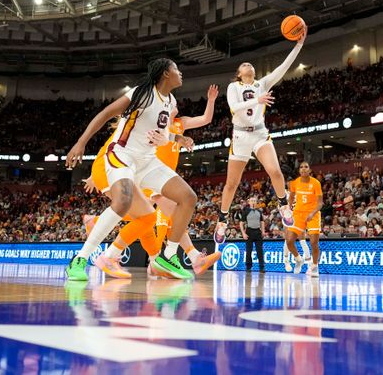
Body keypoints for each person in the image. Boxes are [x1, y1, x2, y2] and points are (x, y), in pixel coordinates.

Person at [65, 58, 197, 281]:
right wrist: (81, 142)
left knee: (188, 197)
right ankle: (80, 259)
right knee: (123, 201)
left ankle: (169, 256)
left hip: (147, 160)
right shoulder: (142, 94)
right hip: (122, 154)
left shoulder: (170, 100)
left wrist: (177, 138)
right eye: (176, 69)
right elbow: (106, 113)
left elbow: (157, 133)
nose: (180, 73)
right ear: (165, 73)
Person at [84, 85, 221, 279]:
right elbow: (117, 145)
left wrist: (211, 100)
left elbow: (205, 119)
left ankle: (169, 258)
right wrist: (96, 172)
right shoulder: (148, 122)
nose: (171, 105)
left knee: (151, 218)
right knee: (161, 214)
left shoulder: (179, 124)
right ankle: (178, 258)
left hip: (161, 176)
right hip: (146, 175)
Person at [215, 33, 305, 243]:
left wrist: (299, 44)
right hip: (239, 136)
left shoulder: (262, 84)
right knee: (231, 184)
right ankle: (222, 219)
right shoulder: (234, 87)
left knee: (274, 170)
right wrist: (257, 100)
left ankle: (284, 205)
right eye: (244, 64)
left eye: (250, 63)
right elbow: (234, 108)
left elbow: (284, 66)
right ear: (239, 74)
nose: (248, 65)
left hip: (259, 133)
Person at [286, 162, 323, 277]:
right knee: (289, 241)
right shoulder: (295, 183)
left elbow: (320, 203)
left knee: (313, 242)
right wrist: (289, 208)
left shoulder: (316, 183)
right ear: (299, 171)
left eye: (306, 167)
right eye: (301, 167)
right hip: (298, 214)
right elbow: (291, 197)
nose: (303, 169)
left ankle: (315, 266)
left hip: (313, 214)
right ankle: (298, 259)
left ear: (309, 170)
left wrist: (312, 213)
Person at [240, 196, 265, 273]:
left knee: (259, 250)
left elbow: (262, 222)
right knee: (249, 250)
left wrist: (263, 231)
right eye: (252, 201)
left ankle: (261, 267)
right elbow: (241, 223)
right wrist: (243, 233)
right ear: (249, 202)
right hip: (249, 232)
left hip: (258, 232)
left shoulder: (259, 211)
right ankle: (248, 267)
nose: (253, 202)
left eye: (254, 201)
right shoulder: (246, 211)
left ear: (256, 202)